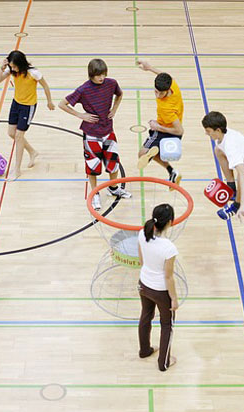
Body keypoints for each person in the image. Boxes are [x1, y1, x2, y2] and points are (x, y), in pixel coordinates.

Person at [59, 58, 131, 211]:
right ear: (91, 74)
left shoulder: (111, 83)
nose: (102, 77)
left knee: (113, 162)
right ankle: (95, 193)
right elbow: (62, 104)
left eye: (104, 74)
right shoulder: (83, 89)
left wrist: (114, 109)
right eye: (99, 75)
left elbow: (119, 94)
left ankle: (113, 188)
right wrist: (80, 115)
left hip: (108, 131)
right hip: (91, 134)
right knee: (92, 166)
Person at [0, 50, 55, 179]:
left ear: (21, 64)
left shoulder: (34, 73)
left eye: (14, 66)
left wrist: (49, 101)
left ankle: (17, 169)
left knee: (19, 136)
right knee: (11, 133)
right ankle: (32, 152)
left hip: (28, 106)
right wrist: (2, 68)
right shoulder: (12, 70)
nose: (13, 69)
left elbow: (45, 86)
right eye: (11, 66)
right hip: (16, 103)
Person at [137, 204, 179, 371]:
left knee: (146, 315)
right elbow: (168, 277)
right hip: (161, 291)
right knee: (167, 325)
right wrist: (174, 299)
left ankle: (144, 350)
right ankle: (164, 363)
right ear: (169, 222)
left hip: (143, 284)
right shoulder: (169, 248)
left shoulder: (142, 233)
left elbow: (141, 261)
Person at [136, 60, 183, 187]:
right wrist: (149, 68)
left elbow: (180, 131)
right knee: (150, 153)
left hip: (167, 130)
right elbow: (165, 76)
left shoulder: (166, 108)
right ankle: (172, 172)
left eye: (161, 93)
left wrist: (158, 127)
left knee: (142, 155)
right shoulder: (172, 84)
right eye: (155, 91)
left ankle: (155, 152)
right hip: (168, 127)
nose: (157, 95)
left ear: (167, 90)